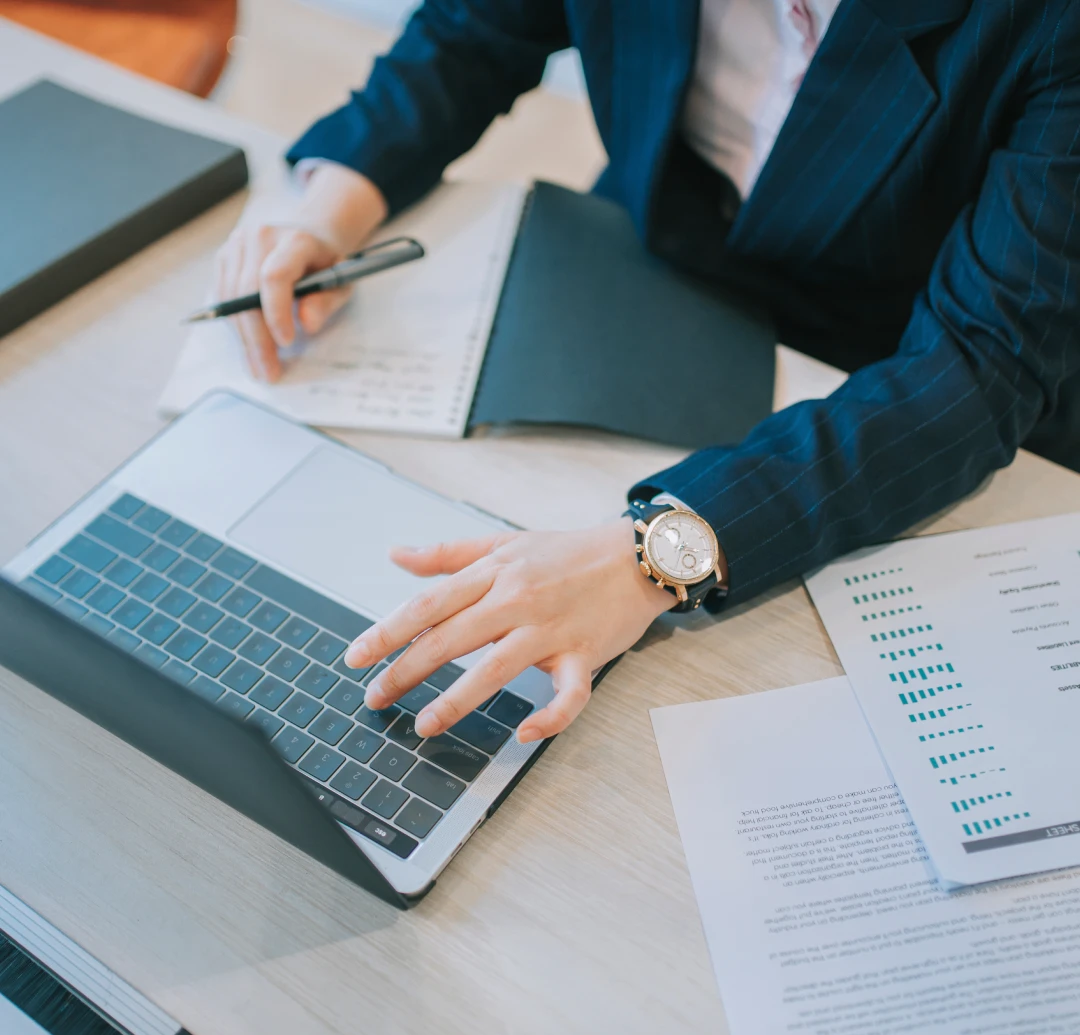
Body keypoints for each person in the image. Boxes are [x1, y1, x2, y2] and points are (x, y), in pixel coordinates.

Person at [214, 0, 1080, 745]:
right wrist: (332, 209)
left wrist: (653, 558)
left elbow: (982, 363)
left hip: (896, 373)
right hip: (653, 265)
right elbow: (472, 31)